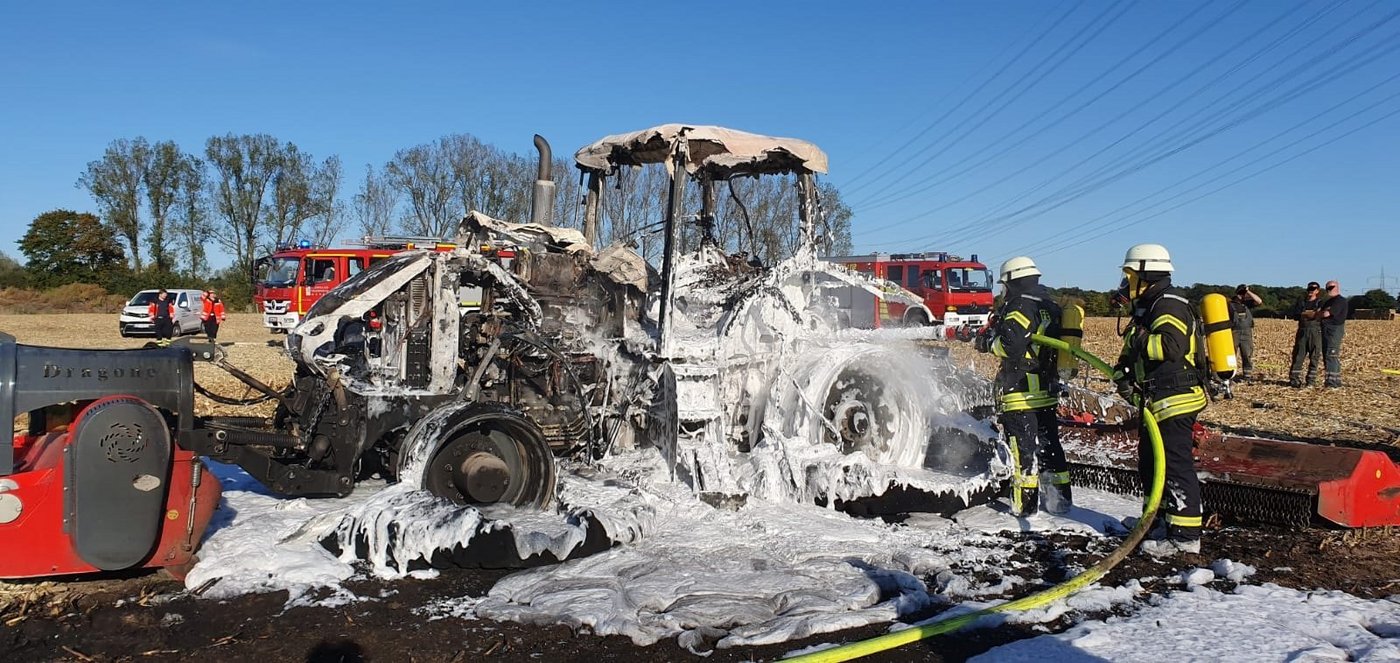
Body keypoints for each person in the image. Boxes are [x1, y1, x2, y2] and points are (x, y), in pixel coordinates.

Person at [1111, 244, 1206, 556]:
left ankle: (1185, 536)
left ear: (1146, 273)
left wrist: (1139, 339)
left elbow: (1169, 347)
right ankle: (1155, 522)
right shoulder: (1150, 304)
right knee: (1152, 465)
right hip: (1157, 400)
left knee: (1175, 467)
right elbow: (1137, 348)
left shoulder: (1168, 304)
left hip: (1175, 399)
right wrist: (1124, 371)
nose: (1126, 282)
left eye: (1130, 275)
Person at [974, 256, 1071, 517]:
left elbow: (1011, 346)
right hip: (1045, 389)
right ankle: (1060, 503)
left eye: (1004, 285)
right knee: (1050, 448)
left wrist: (987, 343)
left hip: (1022, 391)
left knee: (1022, 452)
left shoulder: (1020, 304)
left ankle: (1024, 508)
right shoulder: (1048, 304)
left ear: (1013, 282)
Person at [1288, 281, 1325, 388]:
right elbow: (1296, 316)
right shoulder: (1301, 302)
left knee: (1314, 357)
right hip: (1302, 332)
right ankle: (1294, 380)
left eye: (1313, 289)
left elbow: (1320, 314)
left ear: (1317, 291)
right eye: (1309, 289)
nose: (1310, 291)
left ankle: (1311, 381)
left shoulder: (1320, 302)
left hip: (1315, 332)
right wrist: (1311, 314)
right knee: (1298, 356)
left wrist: (1305, 314)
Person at [1228, 284, 1261, 381]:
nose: (1245, 295)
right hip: (1234, 331)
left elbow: (1259, 301)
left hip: (1247, 332)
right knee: (1231, 354)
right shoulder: (1229, 304)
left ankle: (1247, 375)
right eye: (1243, 292)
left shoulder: (1246, 303)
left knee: (1247, 354)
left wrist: (1248, 291)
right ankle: (1230, 374)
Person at [1320, 280, 1347, 388]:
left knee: (1331, 355)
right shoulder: (1328, 302)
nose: (1328, 290)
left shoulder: (1340, 301)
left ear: (1337, 287)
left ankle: (1332, 383)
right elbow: (1321, 312)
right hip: (1326, 330)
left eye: (1331, 287)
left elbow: (1326, 314)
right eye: (1327, 288)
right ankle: (1335, 381)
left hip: (1334, 330)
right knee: (1328, 355)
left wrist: (1319, 314)